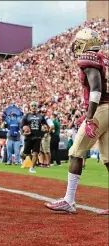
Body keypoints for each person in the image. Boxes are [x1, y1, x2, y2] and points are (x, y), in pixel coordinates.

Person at [45, 28, 109, 215]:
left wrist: (90, 117)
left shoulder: (89, 58)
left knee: (75, 153)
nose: (77, 46)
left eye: (80, 42)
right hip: (107, 109)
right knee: (107, 159)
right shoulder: (104, 58)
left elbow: (96, 89)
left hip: (101, 109)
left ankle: (69, 200)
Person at [20, 101, 47, 173]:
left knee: (35, 153)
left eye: (35, 106)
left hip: (37, 137)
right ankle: (22, 155)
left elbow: (45, 125)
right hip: (28, 137)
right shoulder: (26, 116)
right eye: (32, 106)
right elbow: (22, 126)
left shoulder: (40, 116)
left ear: (37, 107)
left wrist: (44, 131)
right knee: (25, 153)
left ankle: (31, 168)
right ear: (30, 107)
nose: (34, 107)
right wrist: (23, 133)